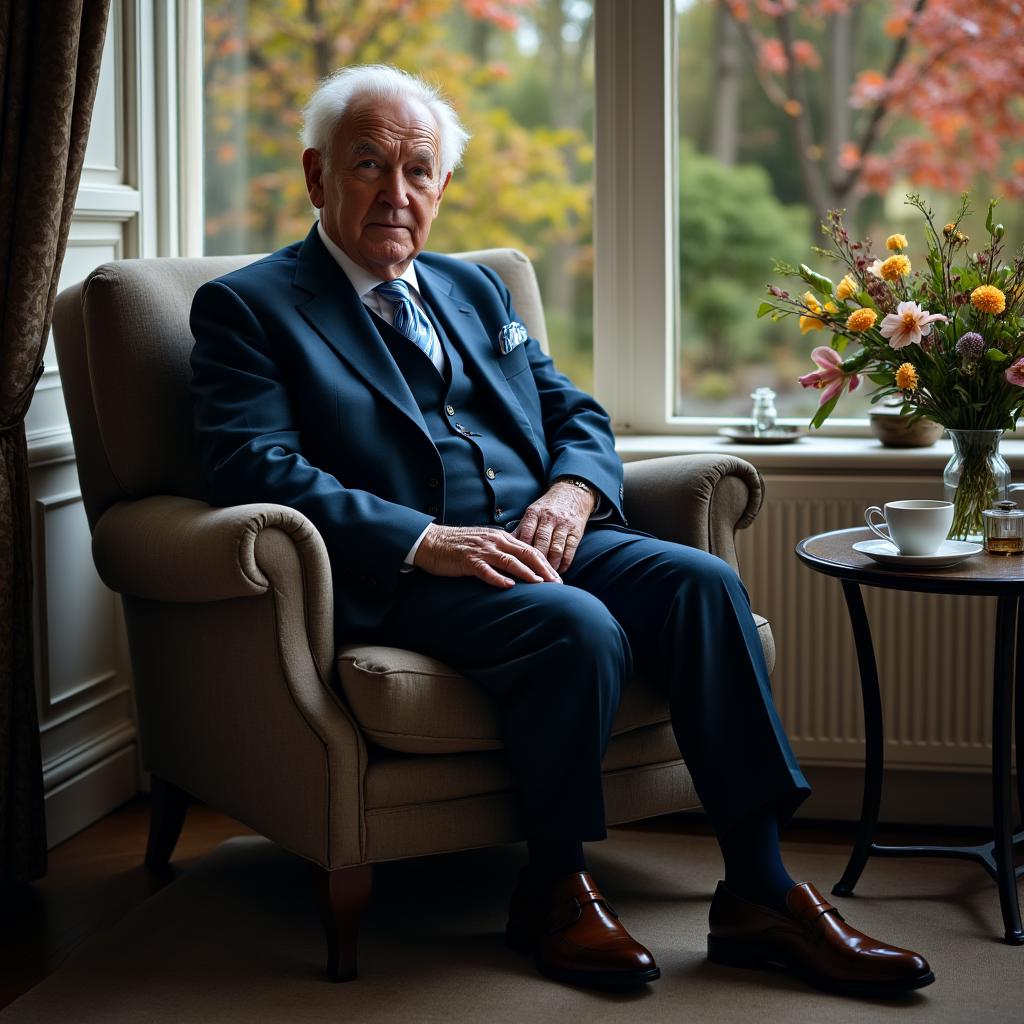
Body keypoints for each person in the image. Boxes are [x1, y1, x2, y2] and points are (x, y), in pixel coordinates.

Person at [189, 64, 933, 997]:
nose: (396, 191)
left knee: (704, 585)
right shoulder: (251, 307)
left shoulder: (476, 289)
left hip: (543, 535)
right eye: (369, 164)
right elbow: (255, 466)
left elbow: (576, 415)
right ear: (315, 175)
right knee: (576, 626)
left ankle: (759, 888)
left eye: (418, 170)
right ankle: (552, 883)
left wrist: (574, 494)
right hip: (405, 575)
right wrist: (426, 539)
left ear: (443, 188)